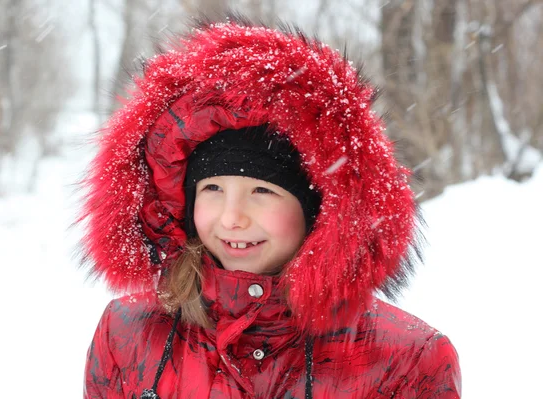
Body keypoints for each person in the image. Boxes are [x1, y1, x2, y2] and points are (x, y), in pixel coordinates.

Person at [80, 16, 461, 399]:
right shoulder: (127, 334)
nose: (231, 218)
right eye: (212, 188)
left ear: (318, 211)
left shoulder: (406, 361)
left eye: (262, 191)